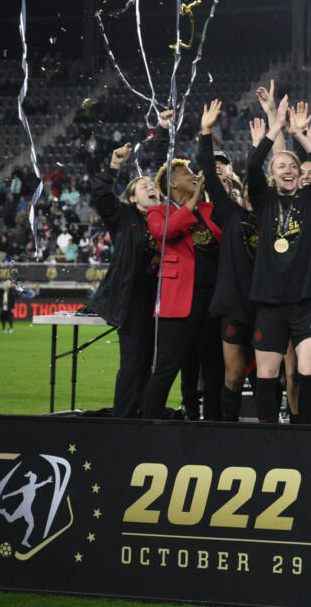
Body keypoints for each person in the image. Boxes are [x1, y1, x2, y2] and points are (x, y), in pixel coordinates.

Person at [247, 95, 311, 424]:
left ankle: (307, 435)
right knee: (268, 375)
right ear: (272, 174)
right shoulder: (263, 199)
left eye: (293, 166)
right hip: (269, 301)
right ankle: (268, 437)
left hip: (306, 301)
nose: (288, 169)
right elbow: (253, 165)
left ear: (299, 175)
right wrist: (274, 129)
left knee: (307, 373)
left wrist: (297, 134)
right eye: (281, 165)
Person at [139, 107, 224, 422]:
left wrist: (203, 200)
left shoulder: (209, 208)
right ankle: (148, 426)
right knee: (166, 368)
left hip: (212, 302)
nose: (194, 174)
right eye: (187, 174)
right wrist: (191, 205)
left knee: (214, 368)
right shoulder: (158, 212)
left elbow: (223, 235)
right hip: (179, 303)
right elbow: (166, 233)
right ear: (173, 185)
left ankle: (213, 424)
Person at [89, 142, 161, 418]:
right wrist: (114, 165)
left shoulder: (164, 217)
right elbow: (100, 194)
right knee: (133, 363)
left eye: (151, 185)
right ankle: (124, 417)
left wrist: (164, 132)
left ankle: (145, 415)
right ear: (132, 198)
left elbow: (168, 176)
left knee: (151, 364)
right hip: (132, 302)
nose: (149, 188)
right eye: (142, 187)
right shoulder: (124, 216)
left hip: (161, 303)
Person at [203, 100, 258, 423]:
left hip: (266, 306)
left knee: (265, 377)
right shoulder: (229, 213)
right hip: (235, 306)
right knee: (234, 376)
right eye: (248, 190)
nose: (252, 195)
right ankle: (227, 435)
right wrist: (206, 132)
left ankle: (270, 436)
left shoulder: (271, 218)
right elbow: (210, 176)